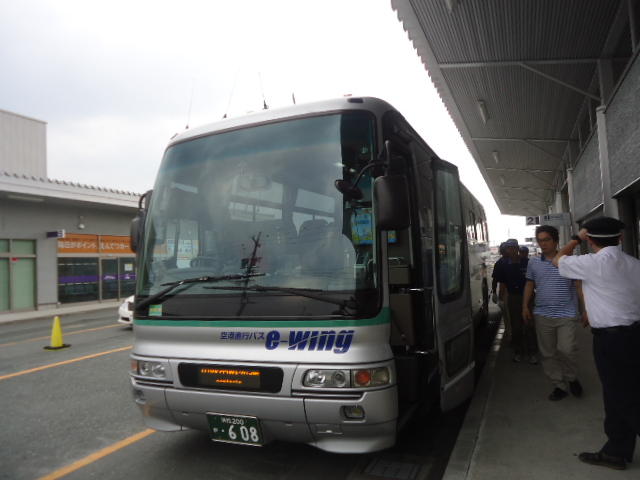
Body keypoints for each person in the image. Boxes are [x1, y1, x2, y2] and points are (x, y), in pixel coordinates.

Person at [553, 217, 640, 471]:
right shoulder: (634, 264)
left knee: (623, 397)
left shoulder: (591, 263)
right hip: (634, 335)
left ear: (589, 240)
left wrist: (575, 238)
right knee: (618, 394)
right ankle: (616, 451)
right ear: (620, 238)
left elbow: (558, 259)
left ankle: (616, 449)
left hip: (612, 341)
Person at [523, 225, 584, 401]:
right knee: (548, 353)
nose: (543, 244)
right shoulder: (533, 262)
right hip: (543, 315)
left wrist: (586, 309)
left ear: (556, 241)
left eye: (547, 240)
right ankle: (559, 385)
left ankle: (571, 377)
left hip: (566, 314)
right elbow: (529, 284)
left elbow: (578, 286)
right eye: (540, 240)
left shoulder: (568, 261)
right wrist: (524, 306)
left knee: (567, 349)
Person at [495, 238, 537, 363]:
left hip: (528, 297)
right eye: (509, 248)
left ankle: (532, 352)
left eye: (514, 247)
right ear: (507, 250)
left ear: (518, 248)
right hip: (513, 298)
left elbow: (534, 281)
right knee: (516, 326)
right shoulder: (504, 264)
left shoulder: (527, 262)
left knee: (529, 325)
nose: (511, 250)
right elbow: (502, 283)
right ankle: (518, 351)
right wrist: (501, 299)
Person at [491, 242, 512, 340]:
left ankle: (510, 334)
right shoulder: (514, 260)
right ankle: (511, 335)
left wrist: (495, 293)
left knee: (507, 316)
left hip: (505, 293)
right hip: (508, 292)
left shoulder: (499, 263)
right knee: (510, 316)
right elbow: (495, 280)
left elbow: (495, 280)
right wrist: (495, 293)